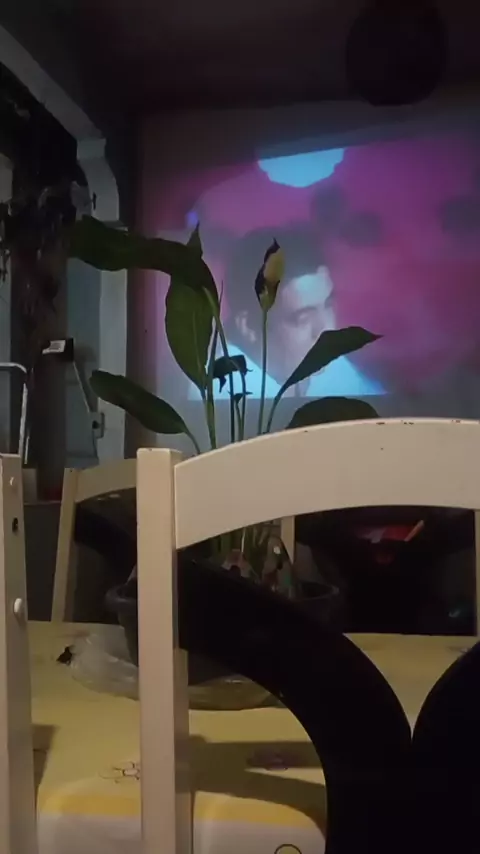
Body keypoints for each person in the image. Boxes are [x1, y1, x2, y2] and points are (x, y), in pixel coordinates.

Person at [189, 225, 383, 400]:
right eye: (303, 318)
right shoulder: (217, 394)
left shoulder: (327, 359)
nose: (328, 329)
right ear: (249, 326)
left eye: (328, 305)